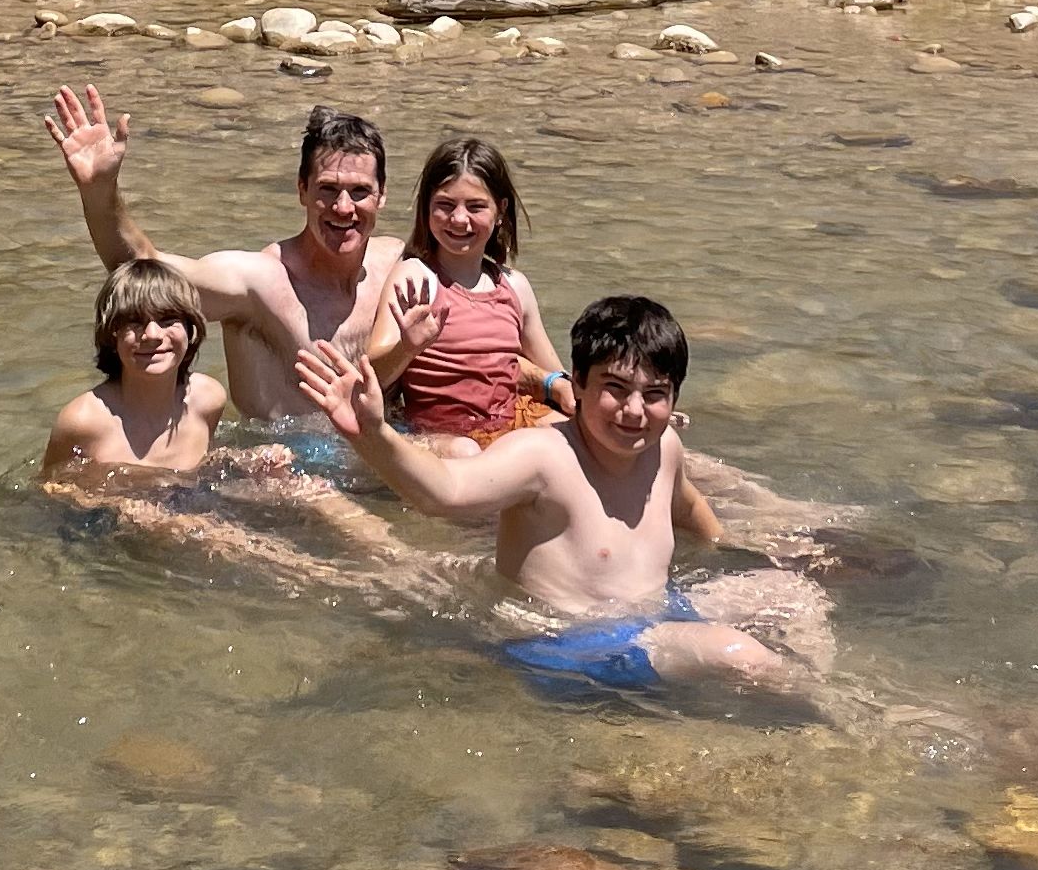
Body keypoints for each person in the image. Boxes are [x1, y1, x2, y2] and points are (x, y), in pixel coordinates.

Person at [290, 294, 817, 702]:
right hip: (571, 648)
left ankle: (810, 694)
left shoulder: (665, 448)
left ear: (673, 398)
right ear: (578, 387)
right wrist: (373, 435)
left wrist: (722, 545)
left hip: (654, 616)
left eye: (654, 395)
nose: (634, 411)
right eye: (615, 388)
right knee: (740, 653)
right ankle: (840, 722)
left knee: (796, 594)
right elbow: (444, 492)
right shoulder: (543, 456)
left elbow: (687, 506)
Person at [43, 86, 416, 430]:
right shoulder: (258, 282)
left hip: (380, 450)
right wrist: (99, 191)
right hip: (288, 469)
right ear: (302, 190)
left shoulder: (397, 262)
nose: (343, 207)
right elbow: (144, 265)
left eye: (360, 192)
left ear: (382, 196)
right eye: (328, 190)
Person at [376, 135, 573, 449]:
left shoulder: (514, 286)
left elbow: (557, 374)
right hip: (440, 438)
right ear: (427, 206)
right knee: (466, 451)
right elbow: (370, 379)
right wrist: (407, 349)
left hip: (510, 421)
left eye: (476, 207)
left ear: (500, 211)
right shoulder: (416, 277)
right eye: (445, 205)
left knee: (590, 438)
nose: (458, 219)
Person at [42, 257, 224, 479]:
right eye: (134, 322)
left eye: (168, 320)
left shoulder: (208, 399)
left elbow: (209, 473)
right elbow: (49, 489)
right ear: (112, 335)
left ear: (190, 328)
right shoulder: (82, 422)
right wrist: (121, 503)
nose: (153, 335)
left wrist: (253, 469)